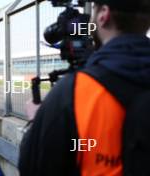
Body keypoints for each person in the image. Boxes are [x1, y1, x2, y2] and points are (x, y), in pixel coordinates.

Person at [19, 0, 150, 175]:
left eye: (94, 9)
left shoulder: (73, 91)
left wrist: (37, 121)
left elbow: (33, 167)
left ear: (104, 14)